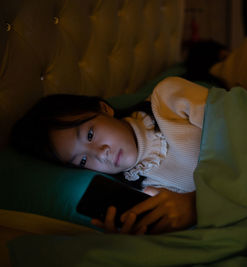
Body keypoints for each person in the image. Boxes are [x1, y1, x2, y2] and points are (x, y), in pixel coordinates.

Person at [11, 76, 209, 235]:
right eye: (82, 160)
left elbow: (237, 125)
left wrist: (197, 203)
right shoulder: (140, 193)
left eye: (90, 135)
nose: (100, 154)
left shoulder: (168, 98)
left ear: (104, 108)